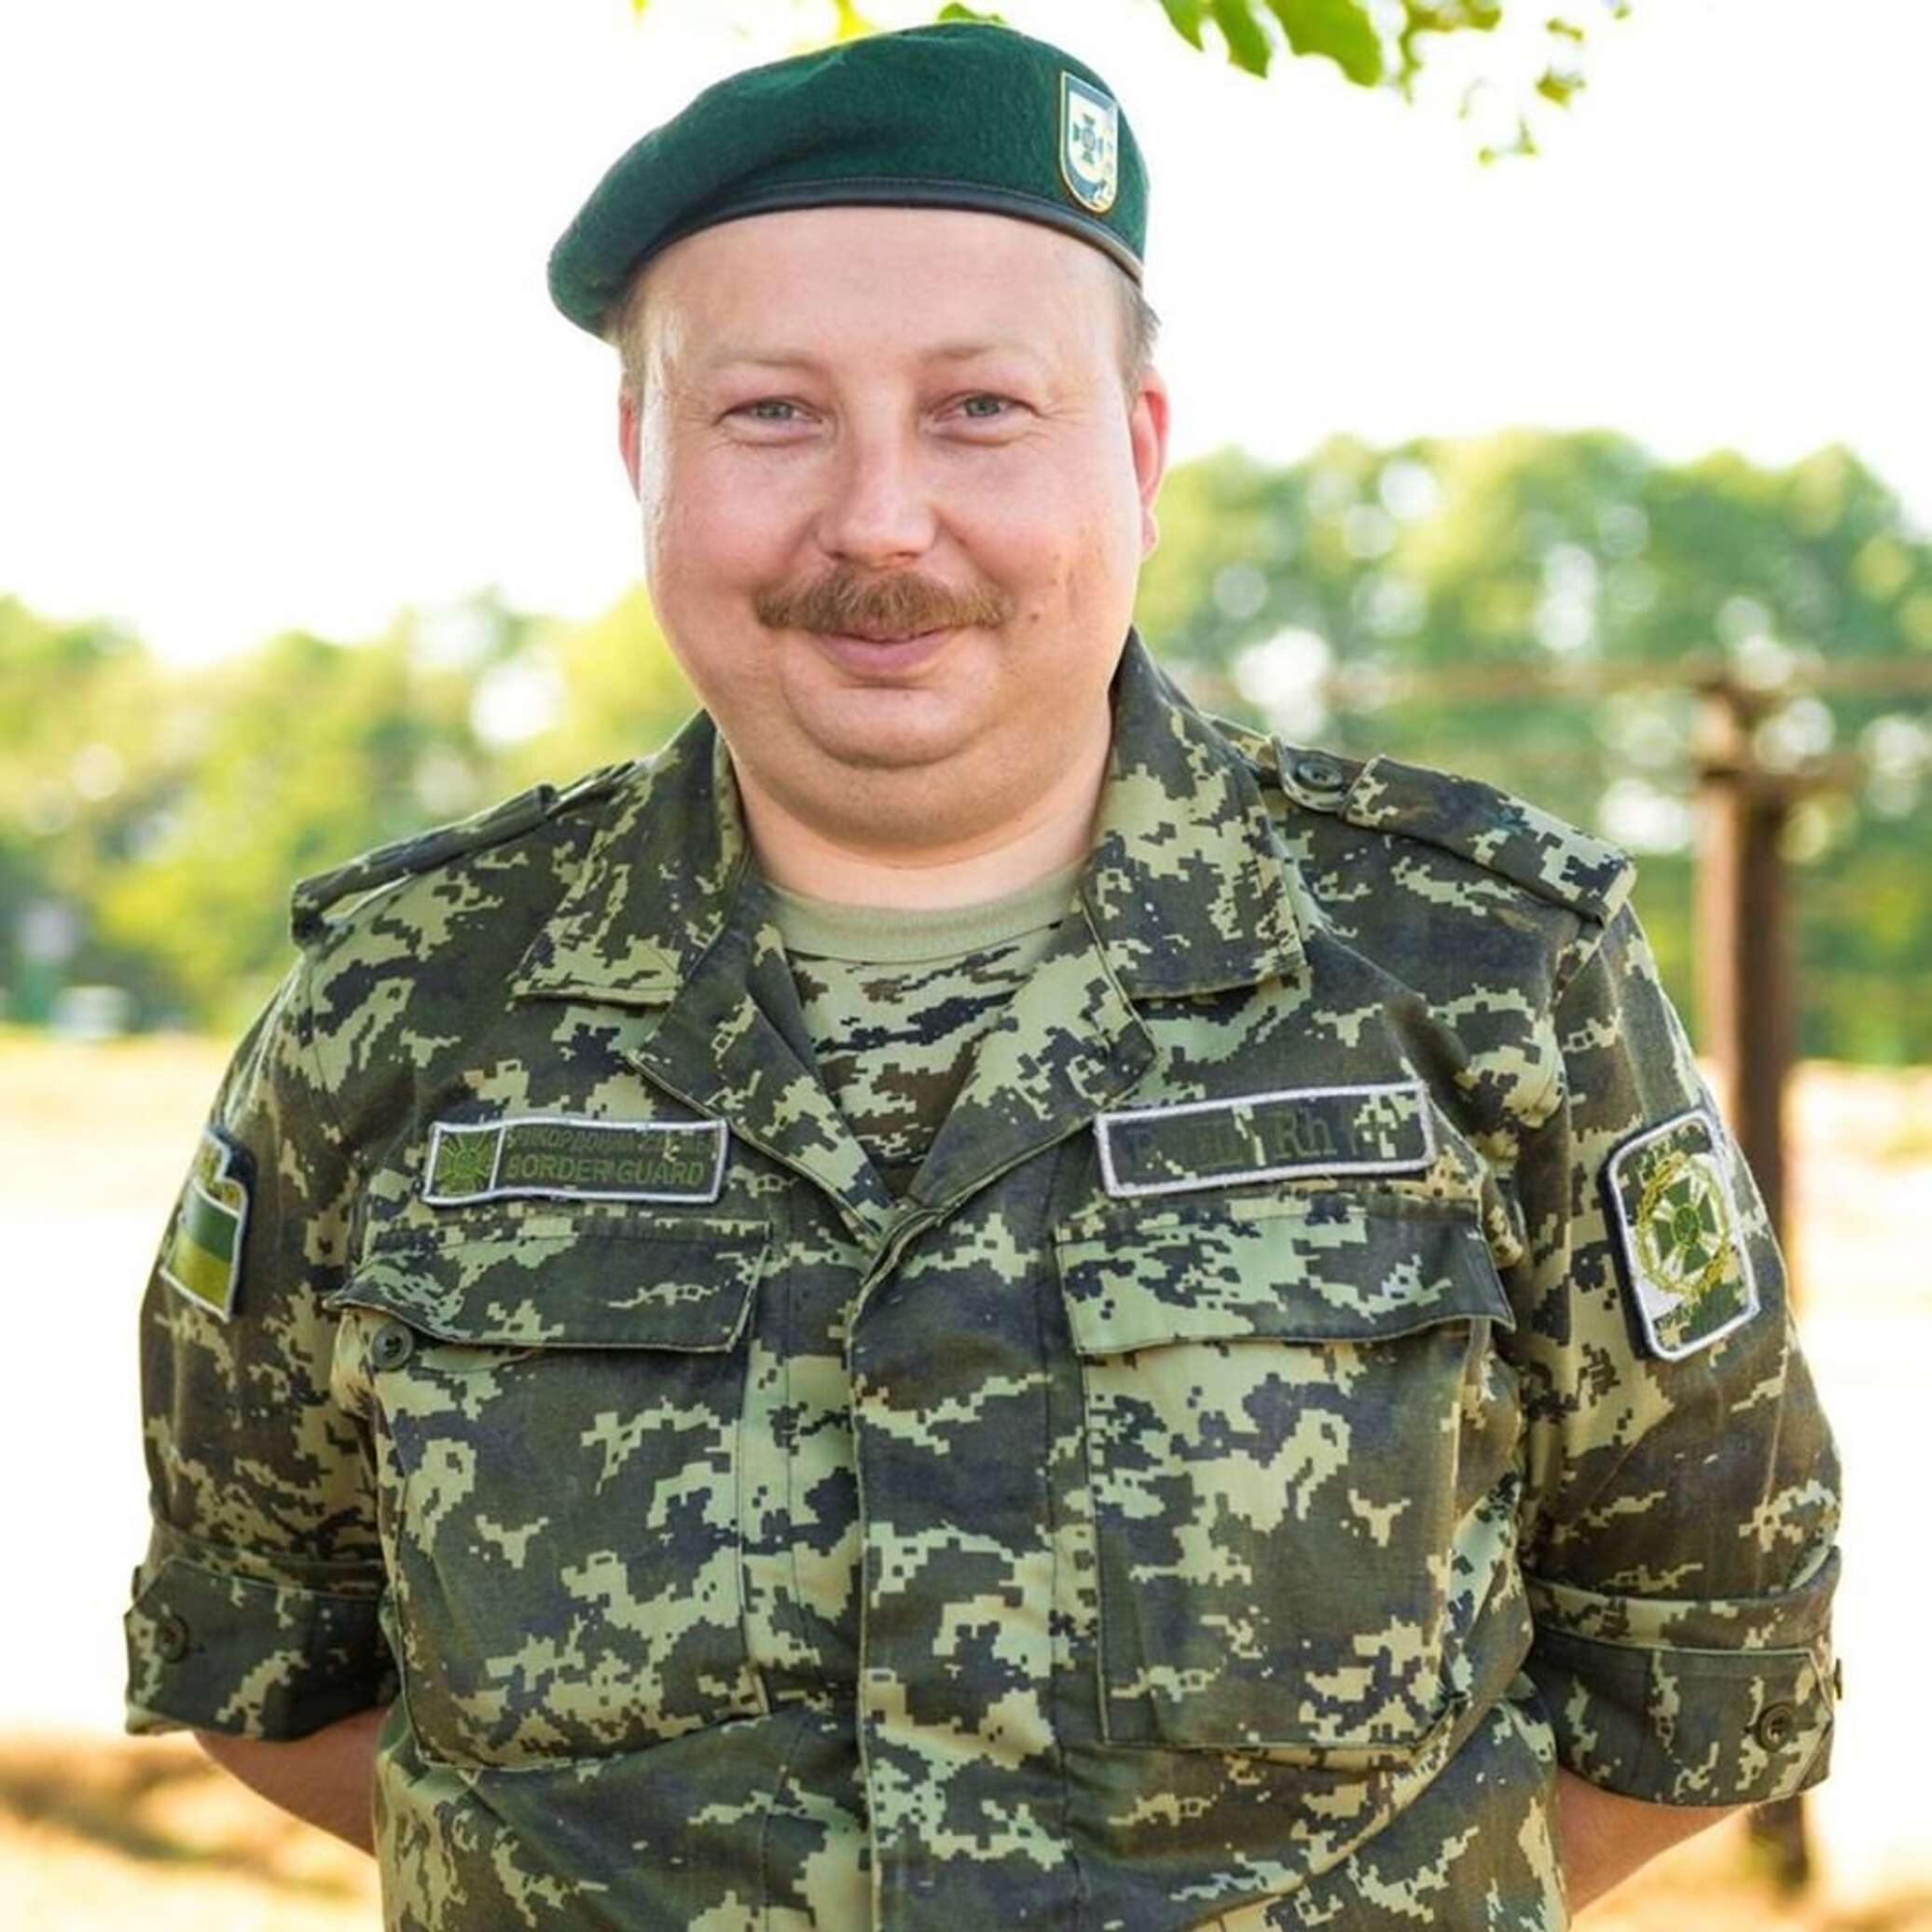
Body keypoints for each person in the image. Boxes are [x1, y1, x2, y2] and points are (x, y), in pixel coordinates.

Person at [124, 21, 1842, 1930]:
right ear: (640, 456)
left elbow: (1705, 1662)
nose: (878, 517)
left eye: (981, 409)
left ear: (1140, 450)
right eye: (771, 413)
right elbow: (260, 1654)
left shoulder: (1485, 973)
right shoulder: (401, 1007)